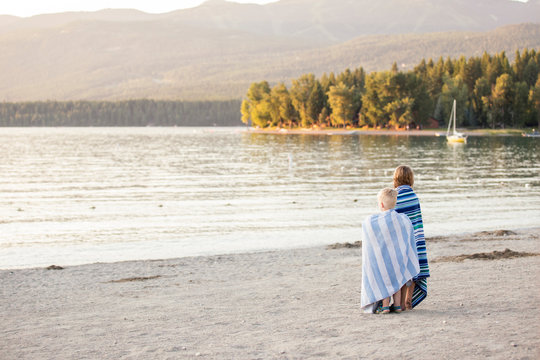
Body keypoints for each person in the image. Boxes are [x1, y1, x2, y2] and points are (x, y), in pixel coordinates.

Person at [360, 188, 420, 314]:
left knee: (383, 279)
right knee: (397, 280)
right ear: (395, 202)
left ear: (381, 204)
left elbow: (367, 225)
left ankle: (385, 306)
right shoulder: (403, 219)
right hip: (398, 259)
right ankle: (397, 306)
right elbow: (407, 237)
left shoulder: (374, 220)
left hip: (384, 260)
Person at [393, 165, 430, 310]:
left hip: (399, 241)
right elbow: (417, 223)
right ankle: (409, 299)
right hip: (415, 240)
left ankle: (400, 302)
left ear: (395, 179)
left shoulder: (394, 197)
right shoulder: (414, 197)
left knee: (401, 270)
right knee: (413, 268)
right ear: (410, 179)